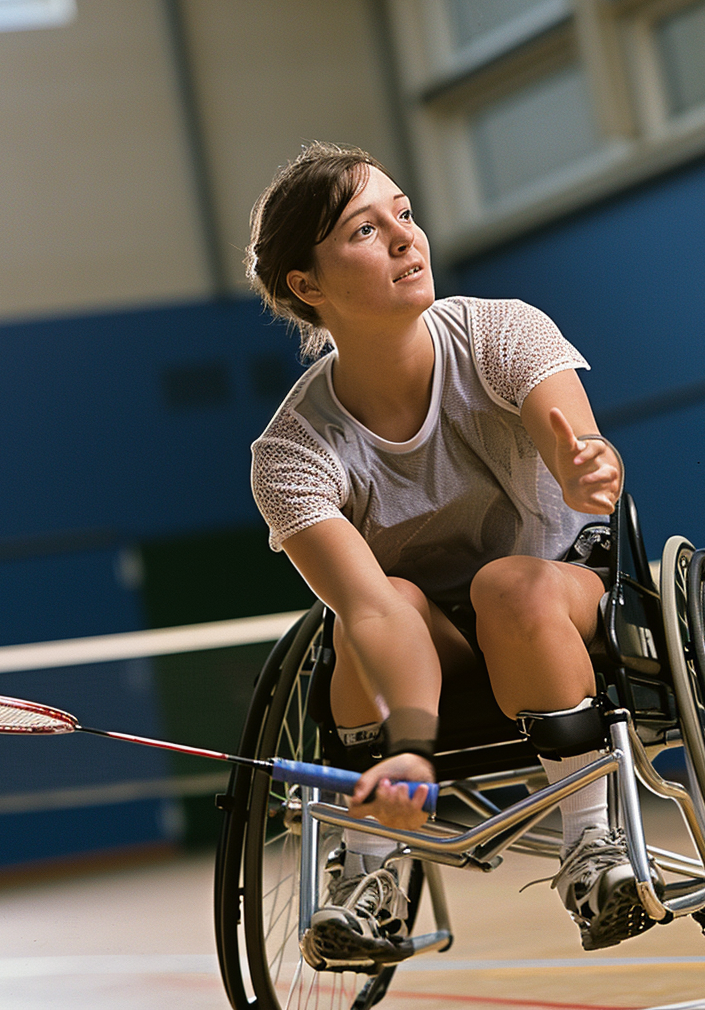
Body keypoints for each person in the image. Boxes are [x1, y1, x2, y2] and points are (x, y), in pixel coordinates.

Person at [246, 142, 657, 965]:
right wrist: (409, 745)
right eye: (367, 230)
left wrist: (590, 471)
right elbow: (365, 608)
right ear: (308, 285)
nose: (407, 239)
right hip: (416, 641)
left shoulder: (500, 332)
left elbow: (584, 459)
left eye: (405, 213)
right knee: (380, 604)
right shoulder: (290, 454)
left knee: (511, 586)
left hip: (555, 594)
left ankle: (595, 852)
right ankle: (372, 874)